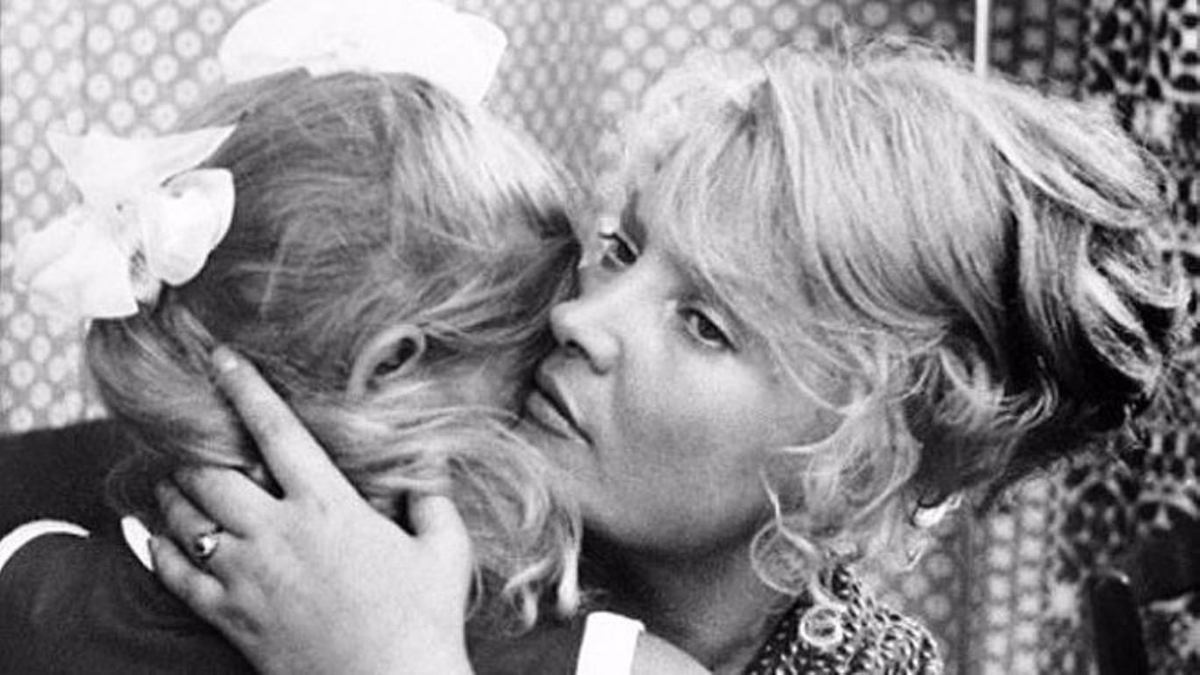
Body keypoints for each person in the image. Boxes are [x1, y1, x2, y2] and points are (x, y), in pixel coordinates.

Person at [146, 37, 1191, 675]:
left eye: (706, 323)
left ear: (868, 457)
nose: (583, 320)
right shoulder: (390, 520)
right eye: (623, 248)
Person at [0, 67, 587, 674]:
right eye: (533, 361)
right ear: (390, 366)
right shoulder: (589, 659)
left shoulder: (27, 587)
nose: (543, 391)